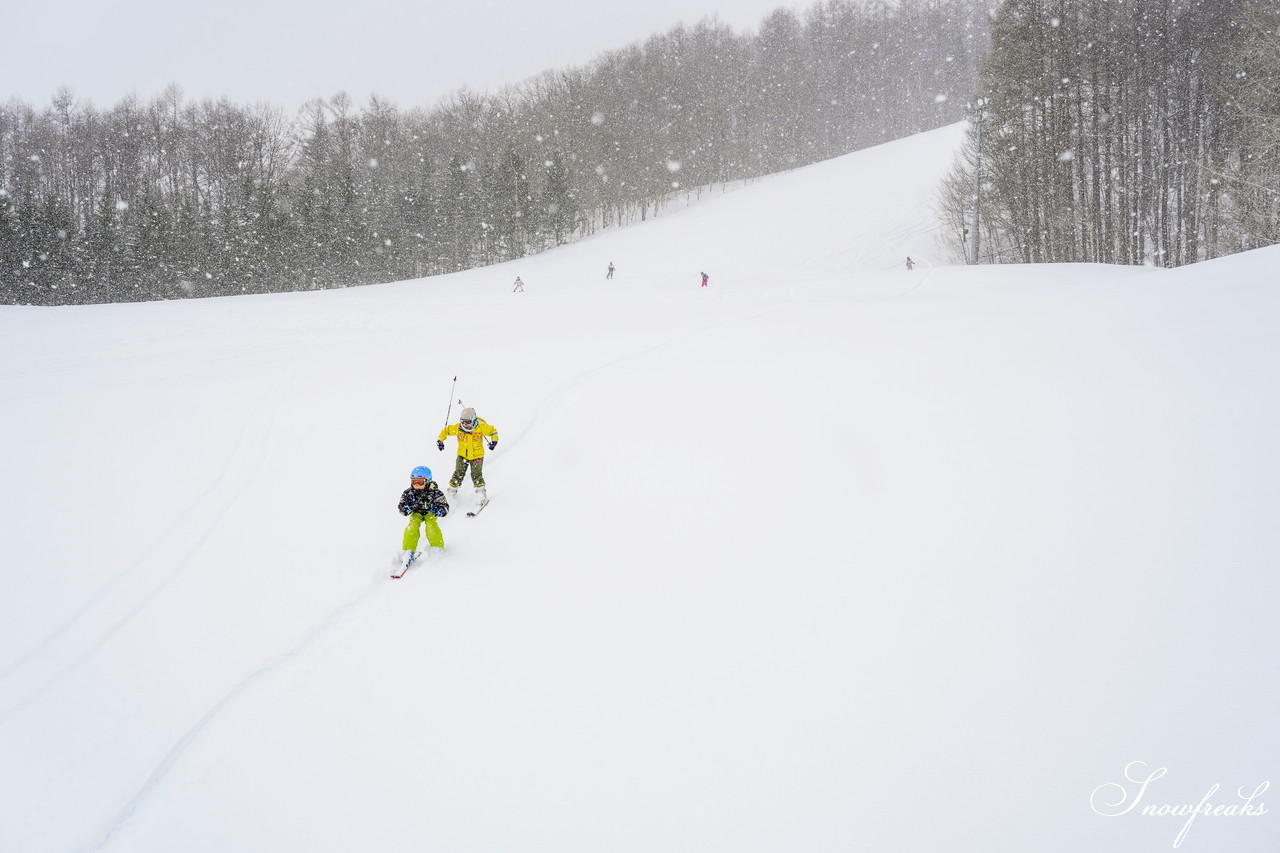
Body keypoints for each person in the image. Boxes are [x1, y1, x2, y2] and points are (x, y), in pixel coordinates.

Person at [437, 407, 500, 503]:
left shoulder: (481, 428)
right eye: (463, 422)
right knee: (458, 474)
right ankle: (451, 492)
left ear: (474, 420)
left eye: (468, 422)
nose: (465, 425)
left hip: (477, 456)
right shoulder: (458, 428)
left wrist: (494, 441)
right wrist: (440, 440)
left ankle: (481, 494)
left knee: (476, 475)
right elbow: (446, 431)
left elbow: (493, 431)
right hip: (462, 455)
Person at [398, 465, 449, 568]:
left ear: (428, 481)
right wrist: (410, 507)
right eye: (414, 481)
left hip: (430, 514)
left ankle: (436, 548)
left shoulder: (435, 493)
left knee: (431, 526)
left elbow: (445, 509)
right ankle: (408, 550)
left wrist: (434, 509)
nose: (416, 485)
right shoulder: (409, 493)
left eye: (420, 482)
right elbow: (401, 508)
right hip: (416, 513)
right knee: (411, 527)